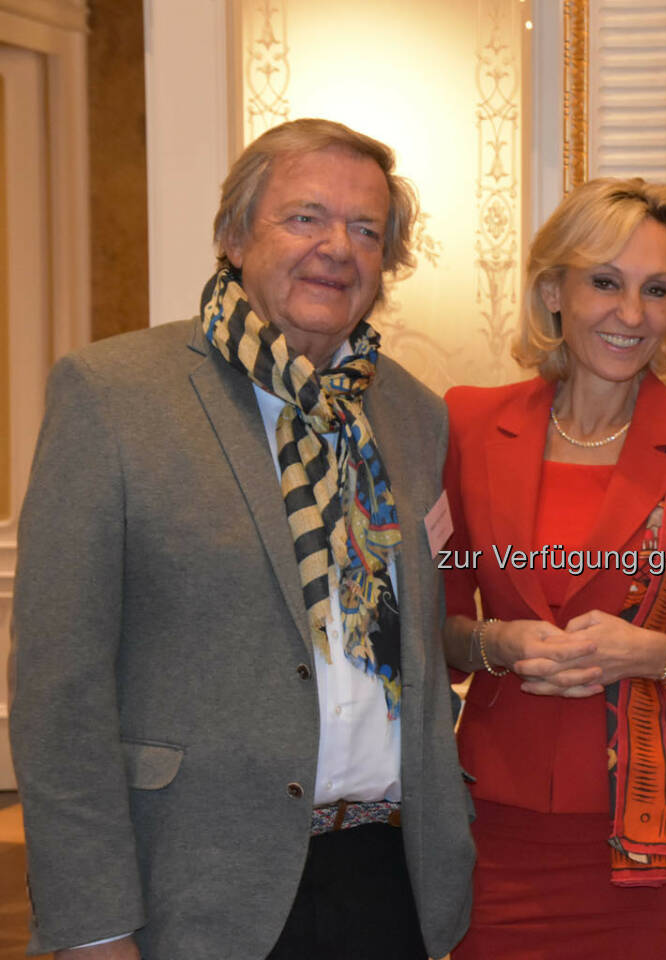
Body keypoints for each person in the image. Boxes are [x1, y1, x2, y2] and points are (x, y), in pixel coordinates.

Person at [9, 118, 474, 959]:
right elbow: (59, 692)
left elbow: (421, 650)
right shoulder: (113, 396)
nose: (338, 247)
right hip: (194, 890)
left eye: (366, 229)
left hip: (388, 881)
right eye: (305, 217)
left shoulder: (410, 415)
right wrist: (94, 927)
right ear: (232, 236)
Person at [440, 177, 666, 959]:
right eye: (605, 283)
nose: (632, 314)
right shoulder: (469, 424)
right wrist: (500, 643)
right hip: (495, 825)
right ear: (553, 290)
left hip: (654, 842)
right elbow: (434, 629)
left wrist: (653, 653)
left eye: (656, 291)